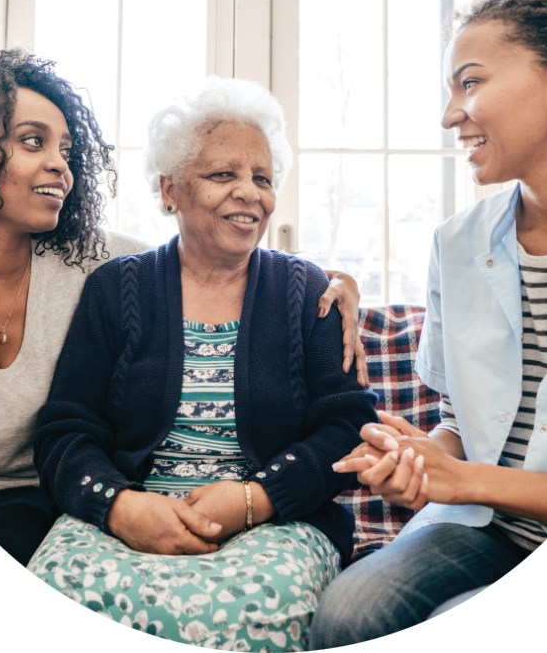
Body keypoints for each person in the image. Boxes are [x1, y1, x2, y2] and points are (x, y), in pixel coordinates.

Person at [0, 51, 369, 567]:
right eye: (32, 141)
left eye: (66, 149)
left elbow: (204, 253)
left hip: (27, 499)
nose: (59, 163)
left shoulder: (87, 257)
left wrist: (332, 281)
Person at [310, 0, 547, 645]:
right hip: (480, 522)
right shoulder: (455, 244)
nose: (450, 115)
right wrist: (420, 461)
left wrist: (464, 475)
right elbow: (459, 425)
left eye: (468, 84)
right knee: (348, 612)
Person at [28, 77, 379, 650]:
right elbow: (66, 430)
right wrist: (119, 506)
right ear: (170, 191)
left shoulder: (307, 292)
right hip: (134, 510)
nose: (250, 193)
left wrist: (254, 499)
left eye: (262, 178)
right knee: (59, 591)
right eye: (223, 175)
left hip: (274, 520)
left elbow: (346, 428)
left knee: (263, 608)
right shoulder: (117, 288)